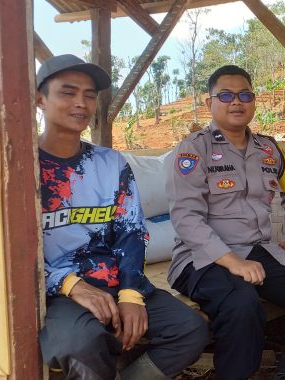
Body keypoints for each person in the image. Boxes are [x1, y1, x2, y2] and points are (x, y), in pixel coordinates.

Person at [37, 54, 209, 379]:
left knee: (190, 330)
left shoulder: (110, 163)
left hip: (118, 281)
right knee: (82, 343)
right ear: (39, 99)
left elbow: (131, 232)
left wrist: (131, 294)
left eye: (89, 95)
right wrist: (70, 284)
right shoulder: (20, 169)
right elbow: (11, 255)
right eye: (68, 92)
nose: (81, 103)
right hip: (58, 291)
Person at [166, 65, 285, 380]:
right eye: (226, 95)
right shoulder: (194, 149)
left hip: (256, 252)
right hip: (200, 259)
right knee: (242, 301)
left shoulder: (269, 149)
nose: (237, 102)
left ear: (254, 101)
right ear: (210, 104)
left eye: (245, 94)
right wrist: (231, 261)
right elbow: (185, 217)